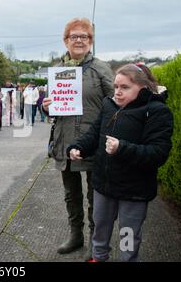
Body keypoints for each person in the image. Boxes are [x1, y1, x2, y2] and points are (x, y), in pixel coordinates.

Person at [67, 64, 173, 262]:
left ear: (143, 88)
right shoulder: (109, 104)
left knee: (128, 234)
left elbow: (158, 153)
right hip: (103, 184)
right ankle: (98, 258)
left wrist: (122, 148)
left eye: (124, 87)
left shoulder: (157, 111)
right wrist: (78, 147)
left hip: (134, 190)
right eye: (116, 86)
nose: (117, 92)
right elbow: (94, 134)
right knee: (100, 228)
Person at [42, 18, 114, 259]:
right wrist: (46, 106)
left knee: (96, 192)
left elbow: (115, 101)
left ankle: (97, 240)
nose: (79, 40)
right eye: (74, 36)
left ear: (90, 40)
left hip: (93, 139)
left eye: (84, 36)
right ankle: (76, 234)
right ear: (66, 40)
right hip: (64, 138)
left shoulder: (101, 68)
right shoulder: (57, 69)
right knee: (71, 192)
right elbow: (53, 106)